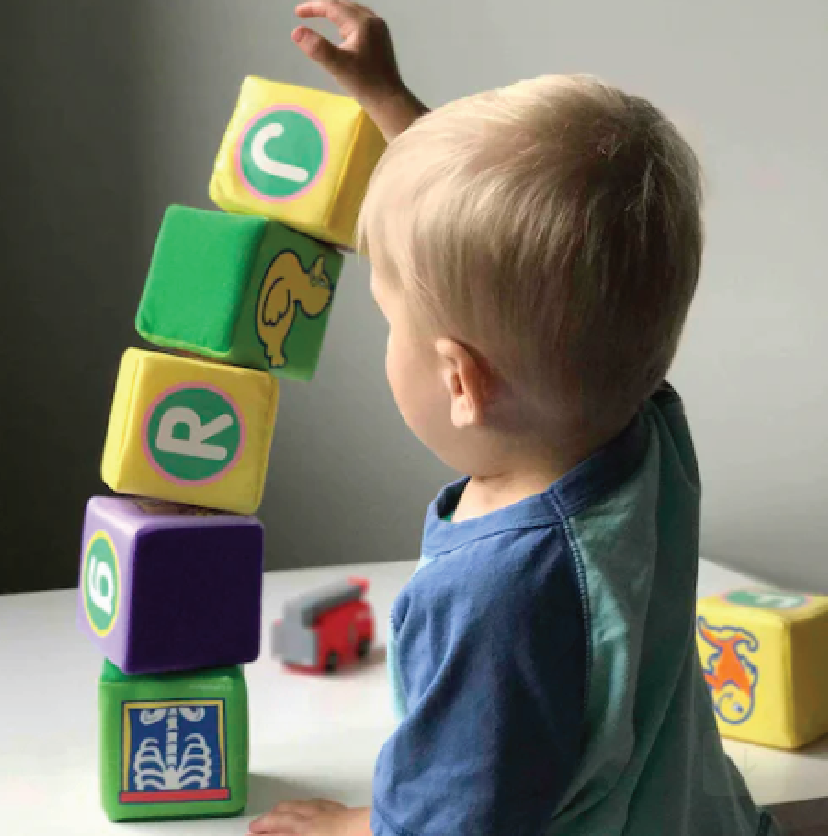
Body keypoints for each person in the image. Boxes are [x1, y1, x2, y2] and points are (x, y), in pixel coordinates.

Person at [250, 2, 773, 834]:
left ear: (461, 378)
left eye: (391, 318)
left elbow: (461, 821)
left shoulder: (499, 596)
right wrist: (390, 104)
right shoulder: (640, 424)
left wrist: (360, 825)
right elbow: (529, 264)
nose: (390, 332)